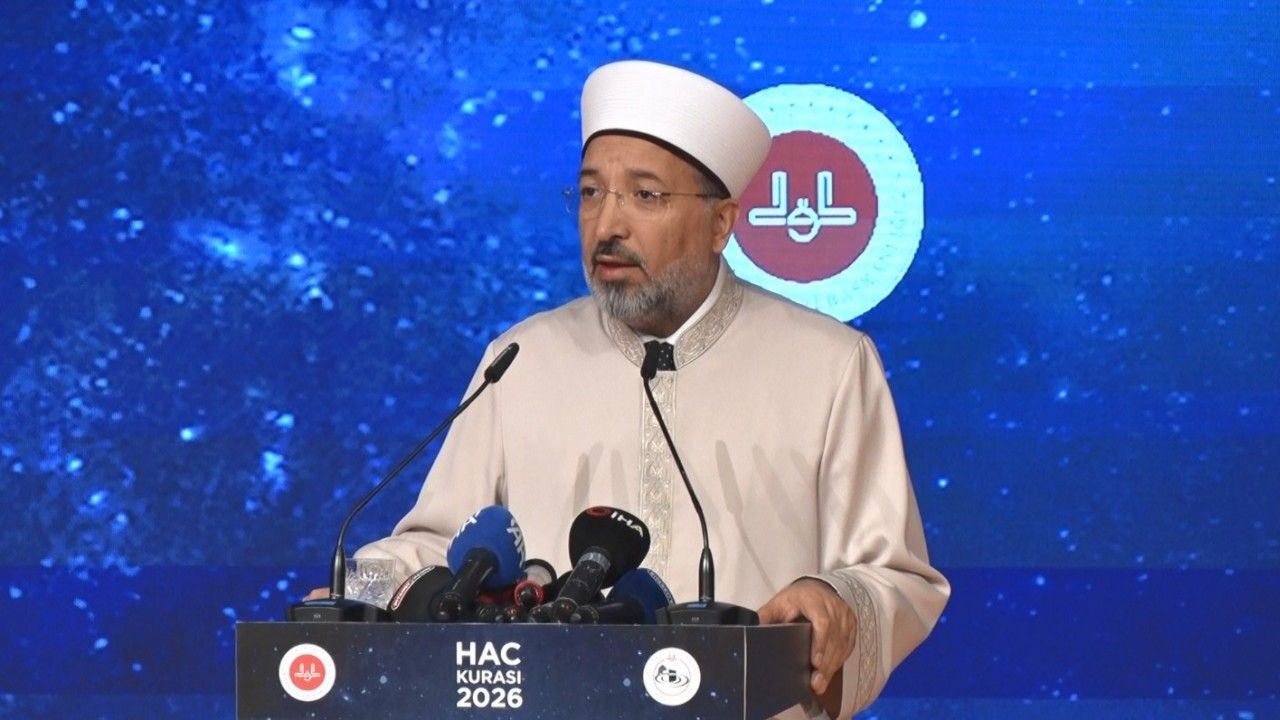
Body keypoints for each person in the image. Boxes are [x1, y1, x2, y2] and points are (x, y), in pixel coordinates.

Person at [333, 60, 949, 719]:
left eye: (645, 196)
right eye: (591, 193)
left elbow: (893, 575)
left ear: (721, 223)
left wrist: (834, 600)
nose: (607, 226)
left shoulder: (828, 363)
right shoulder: (521, 359)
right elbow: (448, 550)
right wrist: (357, 594)